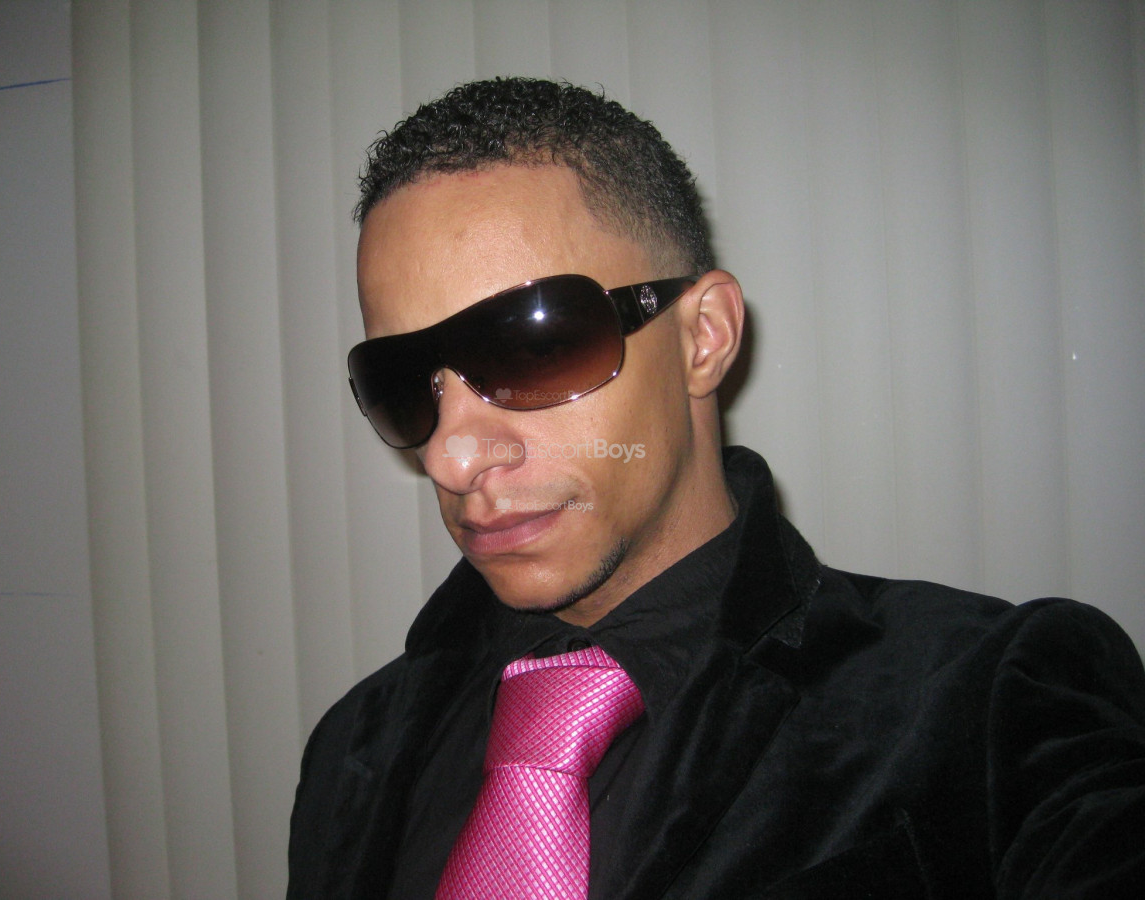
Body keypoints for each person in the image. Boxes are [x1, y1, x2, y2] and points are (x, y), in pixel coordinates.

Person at [287, 78, 1145, 899]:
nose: (451, 457)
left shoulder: (993, 701)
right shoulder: (353, 745)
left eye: (531, 347)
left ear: (704, 337)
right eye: (402, 382)